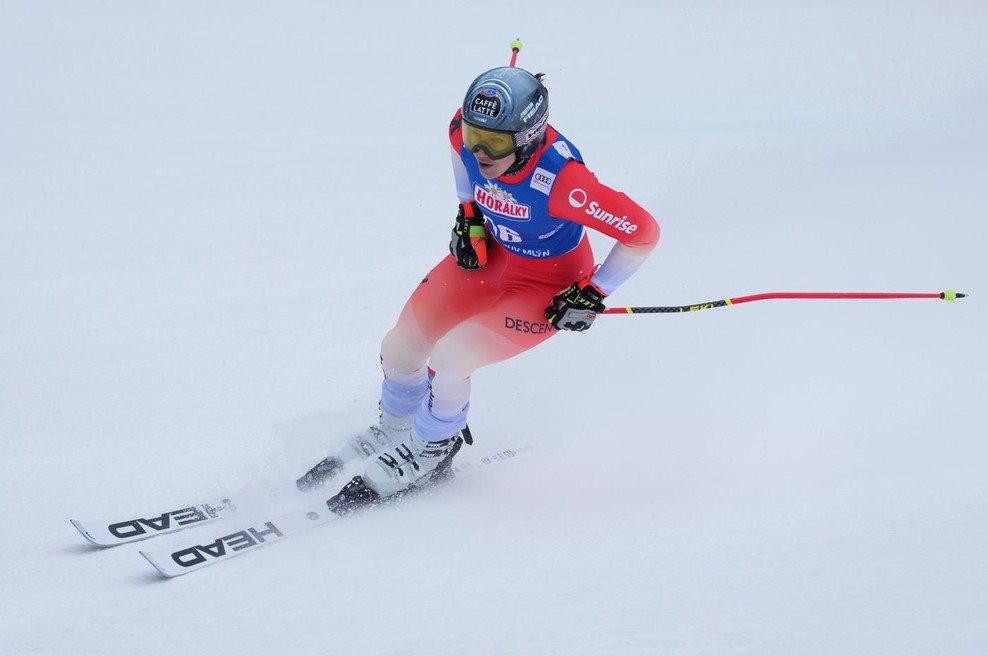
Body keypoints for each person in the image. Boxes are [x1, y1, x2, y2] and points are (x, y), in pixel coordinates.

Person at [297, 63, 660, 509]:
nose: (480, 152)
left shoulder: (565, 182)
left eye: (495, 143)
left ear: (527, 138)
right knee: (400, 348)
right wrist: (467, 211)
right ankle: (396, 428)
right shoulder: (464, 133)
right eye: (475, 136)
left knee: (451, 358)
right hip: (491, 258)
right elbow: (458, 147)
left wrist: (595, 290)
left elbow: (643, 233)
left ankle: (434, 446)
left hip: (548, 285)